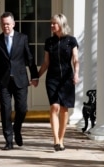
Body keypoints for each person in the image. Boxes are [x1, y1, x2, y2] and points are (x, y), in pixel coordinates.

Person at [0, 12, 39, 150]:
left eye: (8, 24)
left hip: (20, 80)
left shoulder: (22, 38)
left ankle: (17, 128)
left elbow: (29, 58)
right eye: (3, 24)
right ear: (1, 25)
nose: (5, 26)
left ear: (13, 24)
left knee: (22, 109)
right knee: (5, 110)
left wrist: (34, 76)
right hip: (3, 81)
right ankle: (9, 140)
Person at [38, 14, 79, 151]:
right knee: (54, 107)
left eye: (54, 23)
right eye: (51, 23)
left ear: (61, 24)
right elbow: (46, 62)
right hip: (52, 79)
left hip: (67, 78)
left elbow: (75, 60)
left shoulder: (71, 40)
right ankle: (55, 139)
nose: (51, 25)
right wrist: (37, 76)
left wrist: (76, 74)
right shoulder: (49, 41)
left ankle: (61, 140)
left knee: (64, 109)